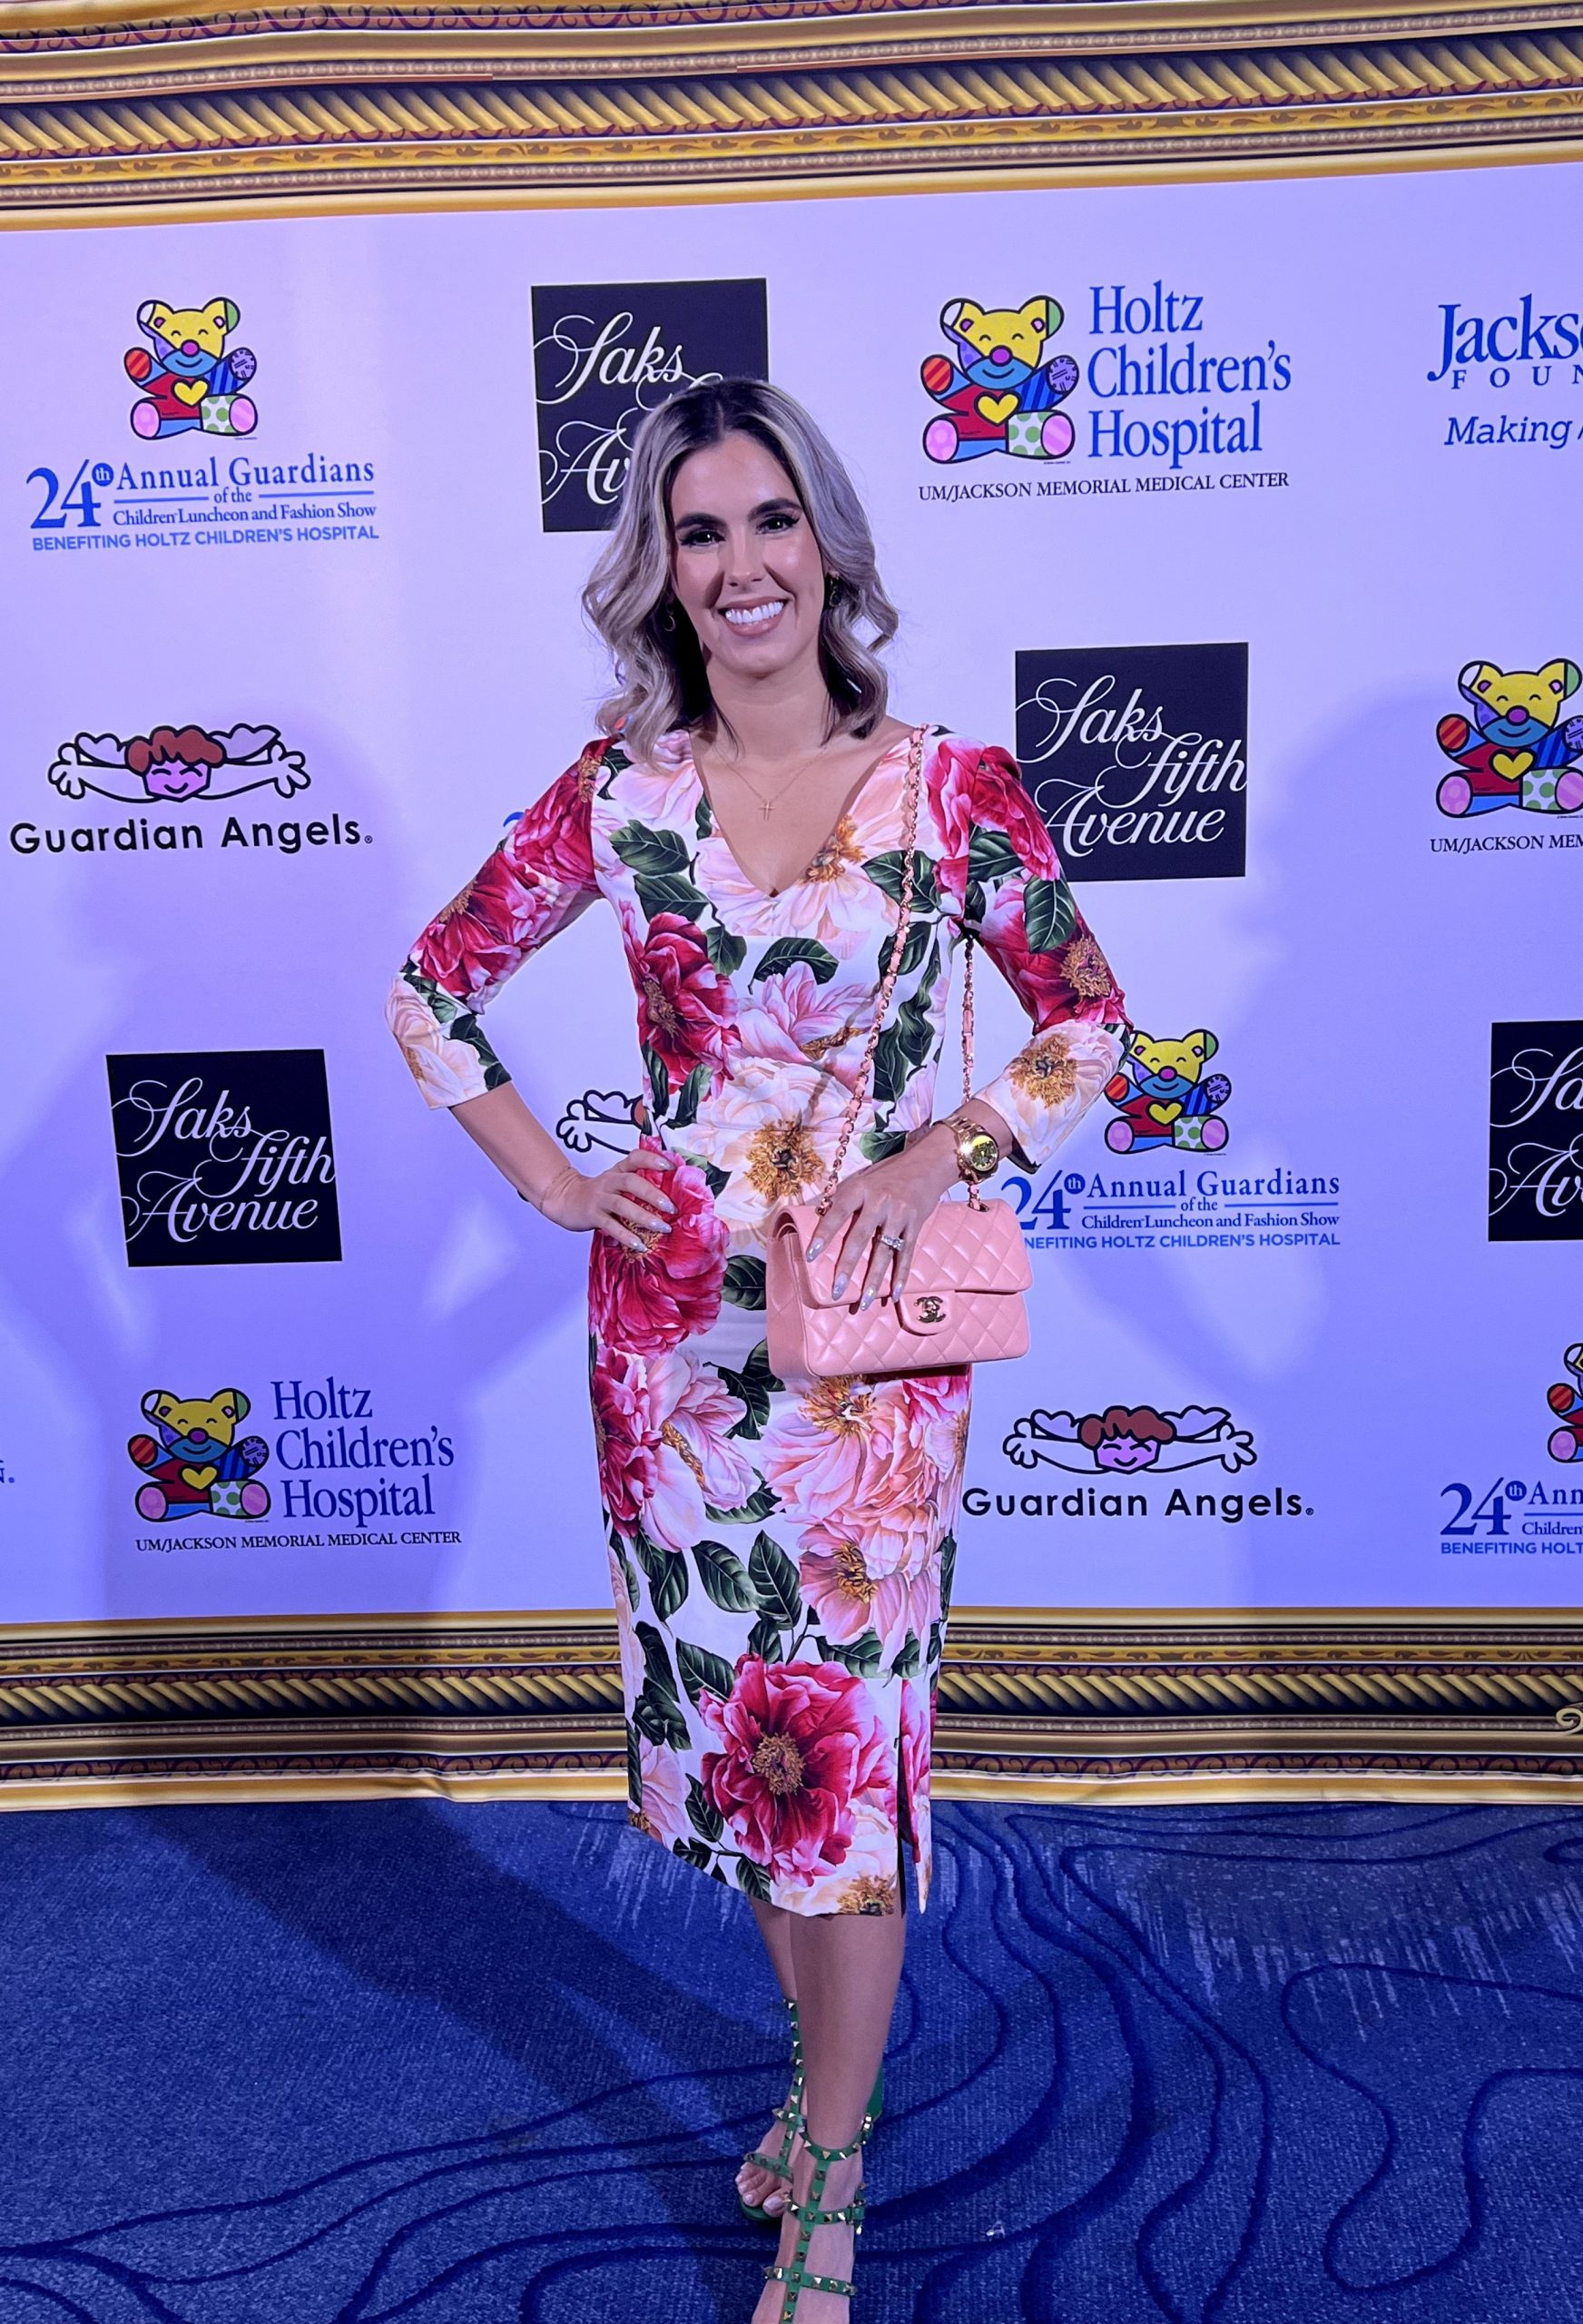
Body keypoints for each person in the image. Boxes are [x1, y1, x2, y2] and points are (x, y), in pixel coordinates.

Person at [387, 379, 1125, 2319]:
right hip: (675, 1363)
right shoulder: (618, 798)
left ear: (829, 546)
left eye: (771, 521)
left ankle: (835, 2173)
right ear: (662, 571)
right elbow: (433, 988)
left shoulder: (950, 789)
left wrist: (933, 1152)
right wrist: (561, 1181)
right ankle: (814, 2088)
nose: (742, 566)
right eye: (700, 532)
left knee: (847, 1775)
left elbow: (1086, 1026)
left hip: (872, 1358)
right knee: (754, 1768)